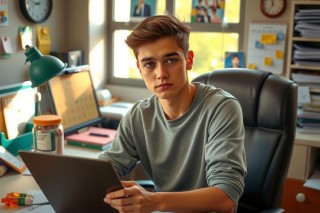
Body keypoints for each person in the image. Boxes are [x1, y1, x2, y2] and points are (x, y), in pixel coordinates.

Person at [99, 15, 247, 213]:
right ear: (140, 69)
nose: (161, 73)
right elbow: (108, 166)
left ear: (189, 60)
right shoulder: (138, 115)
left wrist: (153, 201)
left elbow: (226, 197)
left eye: (170, 60)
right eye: (149, 64)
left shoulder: (221, 108)